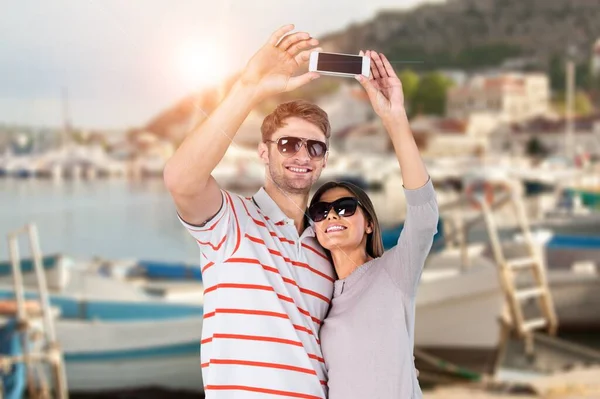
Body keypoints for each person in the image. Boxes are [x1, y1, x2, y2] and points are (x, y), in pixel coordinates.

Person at [163, 24, 335, 398]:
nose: (302, 156)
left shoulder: (329, 246)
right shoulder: (231, 223)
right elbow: (181, 180)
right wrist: (249, 86)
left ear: (323, 161)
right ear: (263, 152)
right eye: (288, 144)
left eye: (315, 148)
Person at [308, 50, 439, 399]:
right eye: (320, 212)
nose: (331, 215)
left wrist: (394, 119)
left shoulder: (394, 272)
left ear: (369, 223)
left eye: (345, 207)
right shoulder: (324, 301)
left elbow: (424, 214)